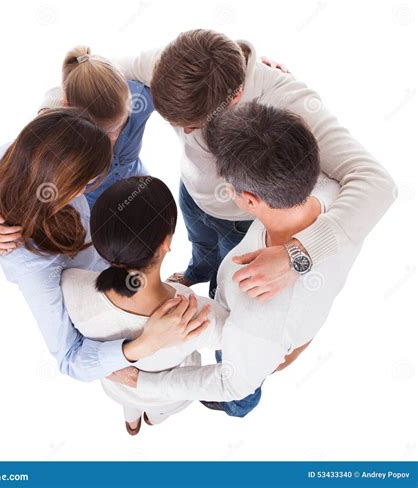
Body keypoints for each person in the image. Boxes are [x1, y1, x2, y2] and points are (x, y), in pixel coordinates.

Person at [111, 102, 371, 418]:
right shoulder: (337, 197)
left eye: (227, 187)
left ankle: (236, 412)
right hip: (264, 322)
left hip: (256, 349)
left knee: (240, 395)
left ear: (248, 200)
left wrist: (144, 385)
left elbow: (233, 383)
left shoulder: (260, 316)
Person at [115, 29, 395, 298]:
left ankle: (214, 292)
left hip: (239, 221)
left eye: (192, 124)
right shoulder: (172, 65)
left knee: (227, 284)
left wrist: (298, 254)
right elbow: (104, 67)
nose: (186, 133)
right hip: (191, 194)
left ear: (235, 96)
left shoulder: (288, 101)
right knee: (200, 248)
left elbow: (376, 182)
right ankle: (195, 272)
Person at [0, 108, 210, 382]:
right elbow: (69, 358)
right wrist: (144, 344)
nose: (87, 190)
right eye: (87, 182)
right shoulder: (36, 268)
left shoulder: (14, 155)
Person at [61, 176, 227, 435]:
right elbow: (241, 347)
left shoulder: (70, 286)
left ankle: (132, 422)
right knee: (157, 414)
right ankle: (151, 420)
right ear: (166, 243)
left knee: (129, 406)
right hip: (165, 396)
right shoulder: (193, 313)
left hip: (117, 386)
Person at [0, 44, 154, 252]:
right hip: (93, 216)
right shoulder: (47, 139)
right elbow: (13, 177)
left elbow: (176, 62)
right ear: (67, 111)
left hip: (138, 193)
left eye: (121, 125)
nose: (114, 137)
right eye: (103, 133)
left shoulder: (138, 96)